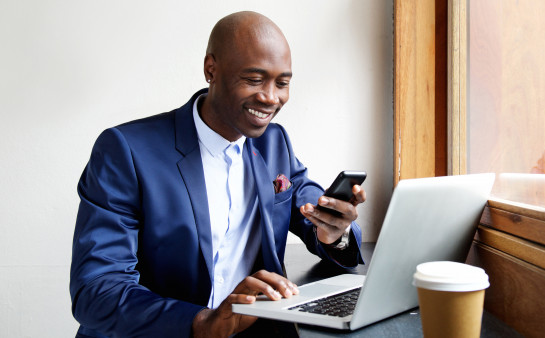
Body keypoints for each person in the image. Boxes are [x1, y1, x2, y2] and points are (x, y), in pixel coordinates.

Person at [70, 11, 366, 337]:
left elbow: (313, 206)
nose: (270, 97)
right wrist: (201, 323)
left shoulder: (274, 143)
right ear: (211, 69)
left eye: (282, 83)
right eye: (254, 79)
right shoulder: (125, 150)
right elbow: (97, 289)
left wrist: (334, 232)